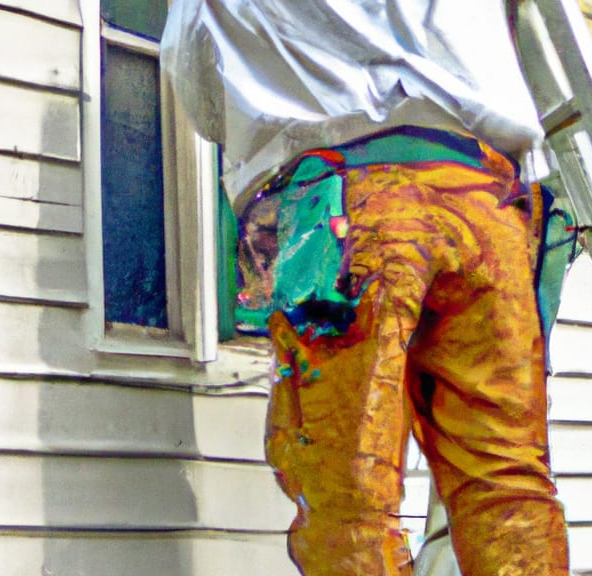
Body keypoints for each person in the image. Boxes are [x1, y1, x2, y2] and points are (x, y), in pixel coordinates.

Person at [161, 1, 570, 574]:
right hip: (485, 203)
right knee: (505, 479)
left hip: (346, 205)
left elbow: (198, 78)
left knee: (348, 487)